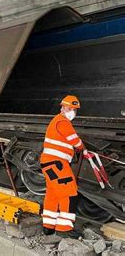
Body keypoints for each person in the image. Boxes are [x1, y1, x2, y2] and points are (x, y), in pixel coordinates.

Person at [40, 95, 91, 239]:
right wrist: (83, 148)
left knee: (53, 194)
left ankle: (48, 227)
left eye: (74, 109)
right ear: (62, 107)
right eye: (69, 108)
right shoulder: (62, 121)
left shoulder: (56, 121)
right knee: (69, 193)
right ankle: (64, 228)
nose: (72, 112)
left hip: (49, 163)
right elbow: (74, 140)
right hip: (57, 164)